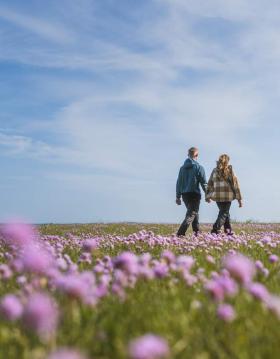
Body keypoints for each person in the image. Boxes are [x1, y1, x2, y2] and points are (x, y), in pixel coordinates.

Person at [206, 154, 242, 234]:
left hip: (217, 196)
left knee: (225, 213)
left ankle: (228, 232)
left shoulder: (214, 170)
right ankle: (215, 230)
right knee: (224, 213)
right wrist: (239, 199)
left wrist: (208, 196)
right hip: (227, 196)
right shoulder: (230, 170)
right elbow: (235, 184)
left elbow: (210, 183)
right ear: (227, 161)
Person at [176, 147, 207, 236]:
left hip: (185, 195)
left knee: (194, 214)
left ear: (188, 155)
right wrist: (207, 195)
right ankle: (180, 233)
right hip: (194, 194)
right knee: (191, 214)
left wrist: (178, 197)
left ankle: (197, 233)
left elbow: (179, 183)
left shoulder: (182, 168)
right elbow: (204, 183)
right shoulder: (199, 167)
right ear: (196, 155)